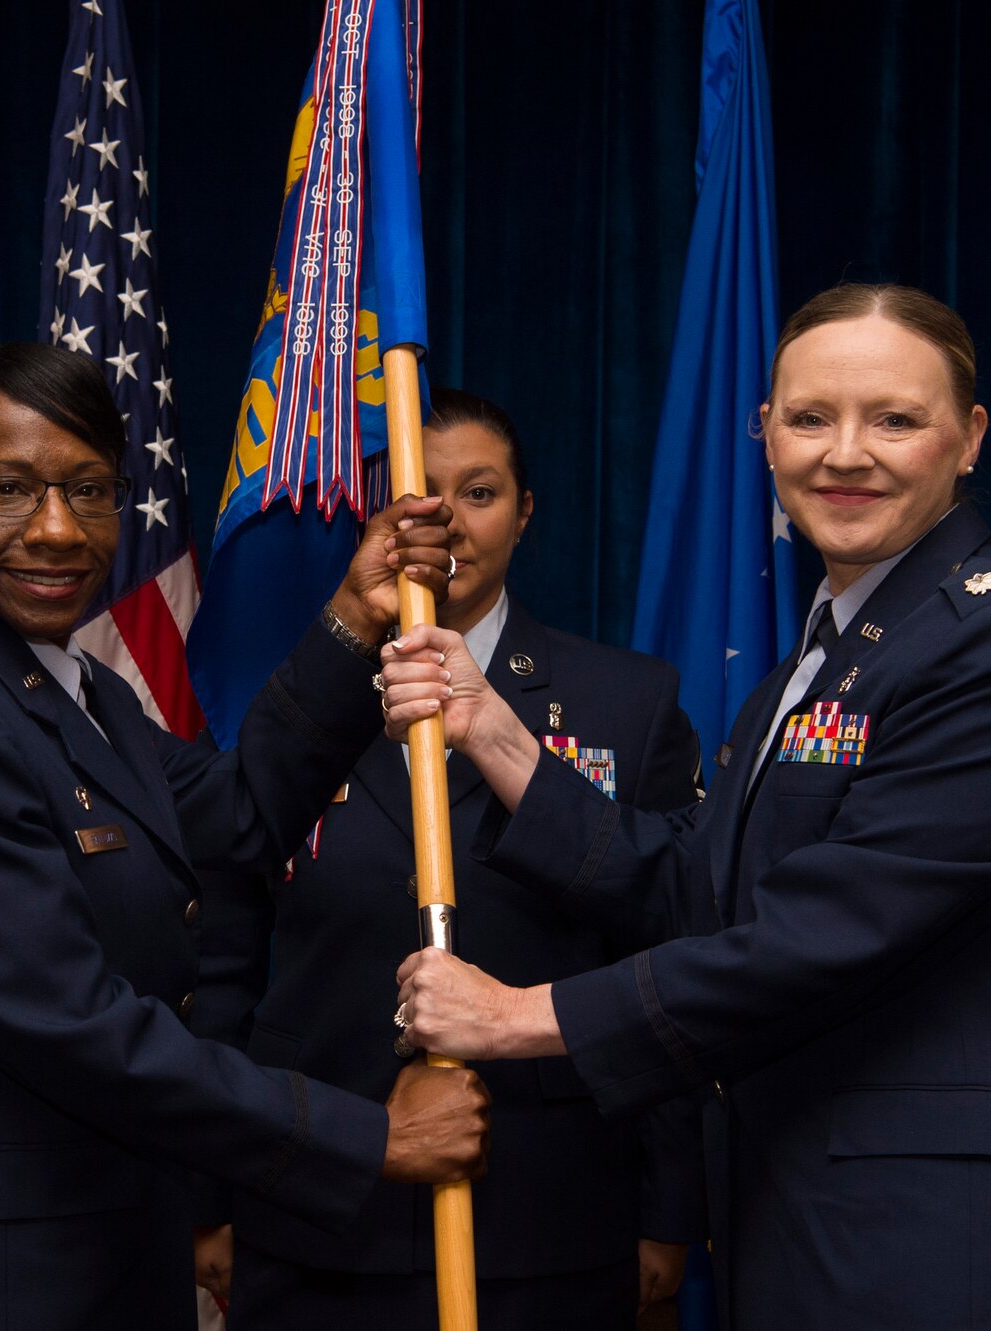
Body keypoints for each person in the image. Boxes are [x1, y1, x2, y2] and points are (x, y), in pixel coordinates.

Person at [380, 285, 991, 1330]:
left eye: (892, 418)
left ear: (966, 439)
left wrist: (518, 1015)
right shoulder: (820, 663)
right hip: (814, 1213)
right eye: (808, 417)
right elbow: (701, 890)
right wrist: (492, 731)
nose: (844, 453)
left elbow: (824, 933)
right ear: (763, 436)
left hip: (955, 1240)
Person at [0, 342, 490, 1331]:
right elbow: (74, 1025)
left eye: (90, 490)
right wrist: (367, 1133)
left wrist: (351, 613)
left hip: (95, 1254)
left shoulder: (77, 690)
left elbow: (236, 815)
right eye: (6, 488)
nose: (59, 530)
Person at [188, 389, 705, 1330]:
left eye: (480, 492)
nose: (448, 522)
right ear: (378, 511)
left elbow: (664, 951)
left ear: (526, 511)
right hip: (317, 1194)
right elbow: (227, 951)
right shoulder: (307, 689)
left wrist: (668, 1201)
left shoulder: (628, 699)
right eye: (420, 493)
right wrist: (210, 1192)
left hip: (547, 1201)